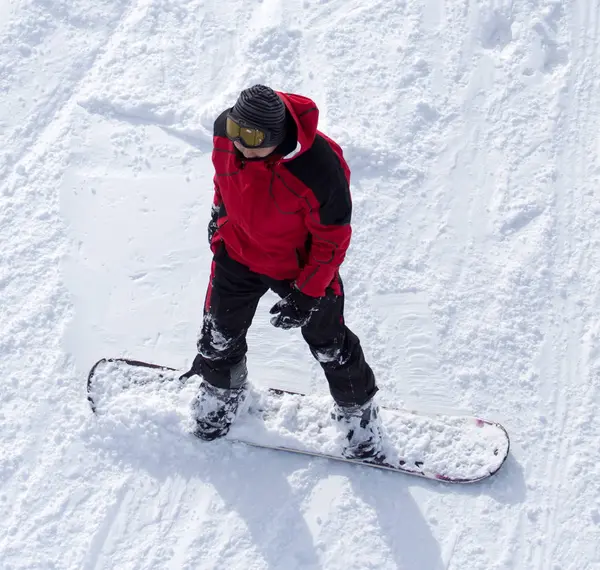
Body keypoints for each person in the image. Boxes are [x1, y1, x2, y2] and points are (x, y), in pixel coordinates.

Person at [186, 84, 382, 459]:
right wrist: (219, 217)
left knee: (329, 345)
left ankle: (358, 412)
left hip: (300, 268)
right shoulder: (225, 133)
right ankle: (224, 391)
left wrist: (308, 292)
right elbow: (222, 182)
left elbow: (332, 240)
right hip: (238, 252)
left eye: (254, 137)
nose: (242, 144)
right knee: (218, 334)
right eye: (235, 131)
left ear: (277, 137)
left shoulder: (319, 167)